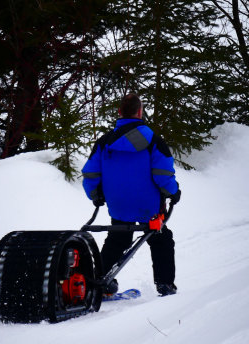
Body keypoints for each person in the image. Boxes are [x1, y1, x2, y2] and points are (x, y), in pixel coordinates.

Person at [82, 93, 181, 297]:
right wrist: (174, 192)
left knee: (118, 238)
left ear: (119, 112)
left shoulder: (105, 142)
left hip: (118, 204)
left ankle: (98, 282)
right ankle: (165, 285)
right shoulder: (154, 140)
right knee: (161, 238)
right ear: (139, 112)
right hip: (149, 206)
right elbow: (163, 175)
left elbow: (90, 173)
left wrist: (95, 194)